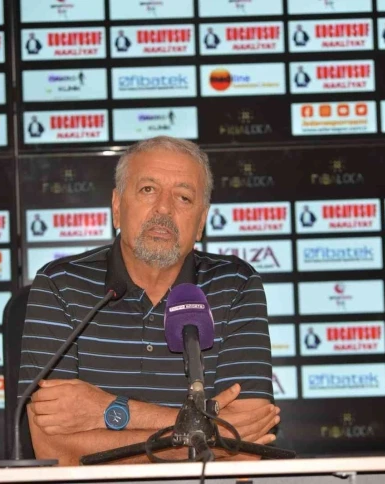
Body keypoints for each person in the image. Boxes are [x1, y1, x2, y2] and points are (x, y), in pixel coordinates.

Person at [19, 136, 279, 466]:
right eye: (148, 190)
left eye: (183, 197)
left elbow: (244, 451)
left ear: (201, 221)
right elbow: (54, 452)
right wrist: (205, 432)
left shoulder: (235, 284)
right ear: (117, 206)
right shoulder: (60, 284)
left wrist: (108, 410)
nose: (164, 208)